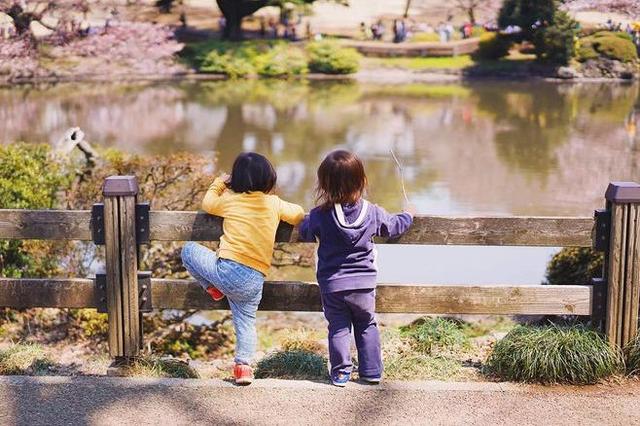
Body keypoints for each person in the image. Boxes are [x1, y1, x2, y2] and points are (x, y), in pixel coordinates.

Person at [181, 152, 305, 385]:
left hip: (227, 270)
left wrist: (219, 183)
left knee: (188, 250)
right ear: (269, 179)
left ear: (235, 180)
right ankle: (243, 367)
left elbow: (207, 203)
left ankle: (212, 289)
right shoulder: (274, 203)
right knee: (246, 322)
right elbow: (298, 214)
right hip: (254, 279)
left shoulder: (230, 200)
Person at [299, 150, 414, 387]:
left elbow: (305, 230)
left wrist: (301, 219)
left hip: (333, 284)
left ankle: (341, 373)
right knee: (366, 324)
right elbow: (392, 227)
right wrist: (408, 216)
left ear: (324, 184)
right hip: (363, 285)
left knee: (339, 327)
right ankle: (371, 371)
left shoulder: (320, 215)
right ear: (361, 181)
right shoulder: (372, 212)